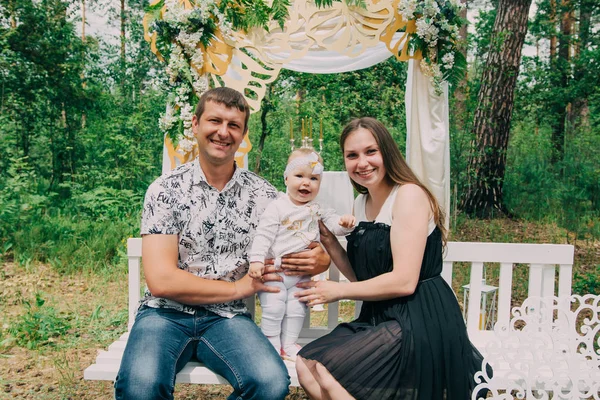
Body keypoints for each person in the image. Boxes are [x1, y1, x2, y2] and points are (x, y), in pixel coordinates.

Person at [113, 87, 331, 400]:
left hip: (227, 318)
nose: (223, 132)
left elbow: (306, 235)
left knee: (269, 382)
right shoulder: (166, 190)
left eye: (234, 125)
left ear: (243, 134)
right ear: (195, 124)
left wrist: (320, 259)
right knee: (142, 387)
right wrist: (237, 289)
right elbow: (161, 281)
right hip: (164, 315)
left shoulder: (265, 196)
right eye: (215, 121)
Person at [294, 117, 486, 400]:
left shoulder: (408, 195)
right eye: (352, 155)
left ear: (387, 152)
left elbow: (405, 281)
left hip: (420, 317)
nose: (362, 163)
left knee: (327, 371)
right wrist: (329, 240)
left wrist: (337, 291)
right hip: (380, 315)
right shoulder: (361, 203)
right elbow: (364, 279)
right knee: (305, 363)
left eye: (371, 152)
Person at [248, 148, 355, 361]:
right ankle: (270, 342)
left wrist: (344, 224)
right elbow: (263, 235)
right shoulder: (277, 207)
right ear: (286, 178)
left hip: (301, 277)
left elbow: (333, 224)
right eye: (299, 176)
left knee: (297, 309)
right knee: (274, 307)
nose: (306, 183)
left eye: (313, 178)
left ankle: (288, 344)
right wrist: (257, 260)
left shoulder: (317, 209)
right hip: (276, 273)